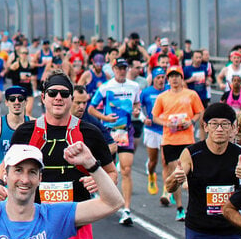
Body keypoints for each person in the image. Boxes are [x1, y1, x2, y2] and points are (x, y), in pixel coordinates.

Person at [0, 73, 116, 239]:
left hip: (76, 224)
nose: (58, 98)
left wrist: (99, 180)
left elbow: (112, 173)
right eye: (52, 93)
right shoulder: (26, 132)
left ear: (71, 99)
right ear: (43, 97)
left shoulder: (90, 133)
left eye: (64, 94)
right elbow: (4, 167)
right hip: (33, 223)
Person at [166, 103, 241, 239]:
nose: (219, 129)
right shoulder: (191, 153)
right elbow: (169, 187)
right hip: (199, 230)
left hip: (231, 229)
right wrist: (176, 178)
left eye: (224, 124)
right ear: (205, 127)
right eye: (214, 124)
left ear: (232, 128)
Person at [87, 57, 141, 226]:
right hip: (109, 134)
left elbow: (137, 105)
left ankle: (126, 209)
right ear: (113, 69)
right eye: (118, 68)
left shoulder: (134, 86)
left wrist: (137, 111)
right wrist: (105, 117)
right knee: (107, 169)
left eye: (124, 68)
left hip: (125, 132)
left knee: (126, 169)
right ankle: (103, 195)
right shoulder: (106, 87)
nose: (122, 71)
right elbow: (91, 108)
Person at [152, 65, 205, 221]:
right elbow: (155, 116)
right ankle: (180, 208)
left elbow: (199, 112)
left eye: (177, 76)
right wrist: (166, 124)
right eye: (171, 76)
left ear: (182, 78)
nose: (174, 79)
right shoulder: (162, 97)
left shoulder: (191, 94)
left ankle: (192, 207)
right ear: (168, 79)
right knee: (177, 173)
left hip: (187, 139)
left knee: (190, 175)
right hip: (170, 139)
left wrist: (191, 122)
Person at [0, 85, 30, 176]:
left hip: (25, 175)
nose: (16, 102)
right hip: (2, 175)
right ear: (6, 102)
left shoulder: (33, 124)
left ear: (26, 102)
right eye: (12, 99)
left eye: (20, 98)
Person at [140, 67, 168, 199]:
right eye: (158, 78)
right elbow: (137, 107)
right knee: (153, 161)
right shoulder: (146, 92)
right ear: (153, 79)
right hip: (151, 130)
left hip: (166, 130)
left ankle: (166, 192)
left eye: (163, 77)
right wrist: (143, 118)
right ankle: (151, 175)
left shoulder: (169, 90)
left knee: (165, 161)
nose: (161, 80)